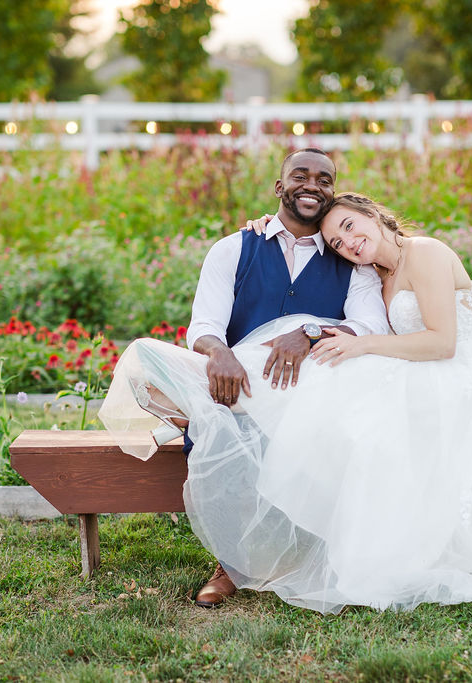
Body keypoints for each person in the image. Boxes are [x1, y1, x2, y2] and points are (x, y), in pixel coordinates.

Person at [105, 189, 472, 619]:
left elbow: (444, 343)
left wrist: (355, 344)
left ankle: (208, 396)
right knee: (331, 382)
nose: (346, 245)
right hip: (411, 368)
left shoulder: (428, 253)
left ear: (374, 216)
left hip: (456, 377)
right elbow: (366, 322)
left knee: (341, 387)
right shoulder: (370, 271)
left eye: (349, 228)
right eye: (338, 242)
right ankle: (205, 388)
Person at [99, 150, 390, 608]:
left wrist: (311, 332)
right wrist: (220, 354)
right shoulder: (235, 247)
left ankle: (189, 416)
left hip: (311, 390)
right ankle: (232, 563)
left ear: (333, 192)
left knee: (228, 422)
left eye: (324, 179)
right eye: (300, 175)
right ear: (280, 187)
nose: (312, 185)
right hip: (239, 381)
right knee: (143, 358)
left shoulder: (351, 261)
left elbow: (371, 325)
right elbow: (204, 325)